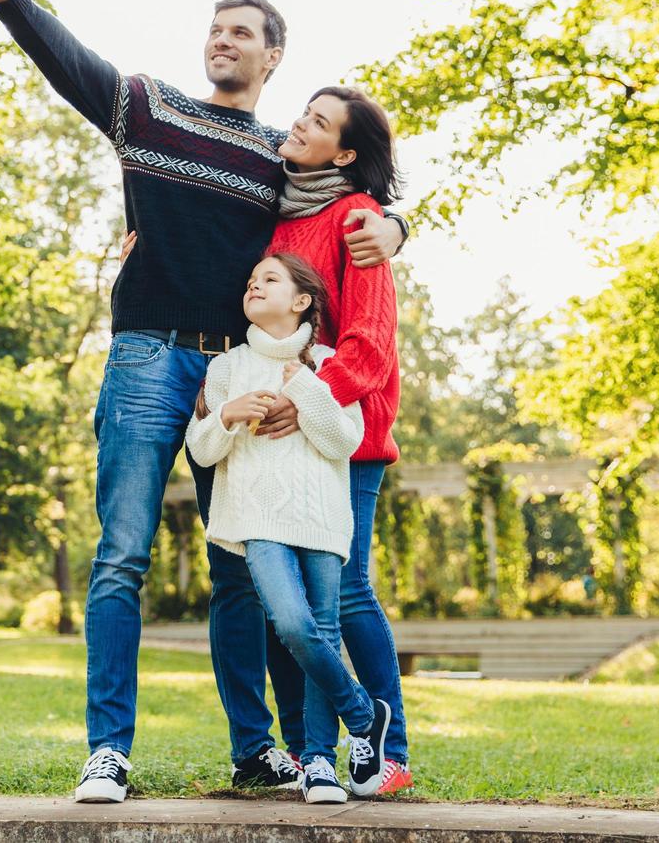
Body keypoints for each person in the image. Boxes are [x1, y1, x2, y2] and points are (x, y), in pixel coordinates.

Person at [0, 0, 408, 803]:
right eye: (215, 27)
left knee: (243, 563)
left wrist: (394, 225)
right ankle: (107, 751)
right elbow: (67, 61)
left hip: (239, 372)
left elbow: (352, 197)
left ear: (272, 55)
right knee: (121, 554)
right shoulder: (147, 108)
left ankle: (257, 750)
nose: (222, 40)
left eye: (242, 31)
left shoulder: (280, 158)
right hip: (148, 363)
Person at [186, 252, 391, 803]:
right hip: (257, 520)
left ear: (301, 300)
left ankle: (320, 763)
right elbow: (201, 451)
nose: (254, 286)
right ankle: (363, 711)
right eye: (251, 281)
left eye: (268, 280)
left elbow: (345, 441)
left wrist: (306, 387)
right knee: (292, 624)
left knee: (322, 630)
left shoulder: (325, 363)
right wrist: (227, 415)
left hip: (323, 522)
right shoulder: (225, 367)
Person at [266, 87, 413, 796]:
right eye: (303, 112)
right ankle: (306, 751)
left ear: (345, 154)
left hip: (345, 435)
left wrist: (308, 402)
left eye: (318, 123)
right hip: (286, 438)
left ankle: (392, 750)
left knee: (348, 590)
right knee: (286, 598)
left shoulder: (355, 217)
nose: (298, 125)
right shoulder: (281, 207)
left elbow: (369, 343)